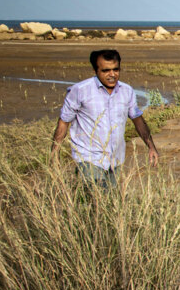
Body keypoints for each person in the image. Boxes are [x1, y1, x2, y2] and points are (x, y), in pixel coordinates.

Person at [52, 49, 160, 187]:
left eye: (116, 69)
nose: (112, 75)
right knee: (97, 199)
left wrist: (151, 147)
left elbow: (137, 119)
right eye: (106, 70)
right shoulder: (79, 90)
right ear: (95, 70)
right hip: (89, 158)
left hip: (115, 160)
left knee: (111, 202)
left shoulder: (126, 91)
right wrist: (54, 154)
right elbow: (63, 122)